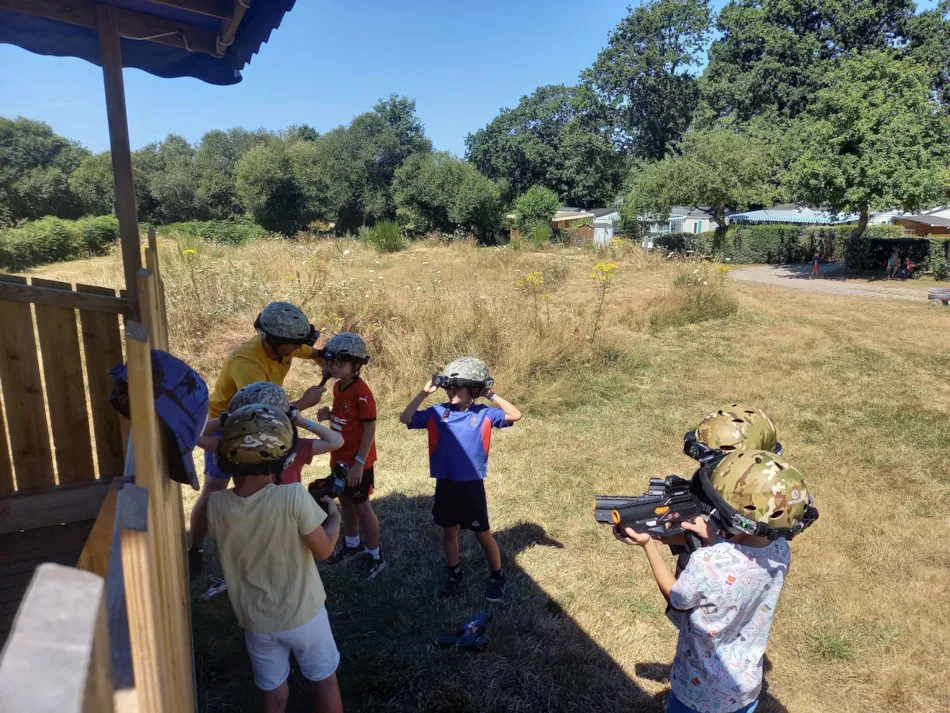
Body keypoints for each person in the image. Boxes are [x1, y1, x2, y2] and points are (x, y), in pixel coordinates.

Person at [616, 450, 816, 713]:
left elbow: (677, 598)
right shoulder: (780, 551)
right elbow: (741, 564)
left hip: (697, 691)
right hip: (744, 689)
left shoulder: (707, 562)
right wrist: (712, 539)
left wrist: (648, 545)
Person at [203, 404, 343, 713]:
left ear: (226, 457)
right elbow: (325, 549)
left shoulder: (216, 505)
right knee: (325, 683)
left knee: (274, 695)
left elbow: (196, 435)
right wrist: (334, 514)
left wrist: (225, 421)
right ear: (280, 456)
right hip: (304, 616)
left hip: (257, 621)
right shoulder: (292, 496)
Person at [190, 301, 326, 576]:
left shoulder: (286, 344)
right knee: (215, 488)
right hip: (226, 423)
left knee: (257, 486)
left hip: (260, 420)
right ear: (275, 341)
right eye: (293, 345)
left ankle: (258, 540)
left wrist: (326, 362)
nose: (296, 350)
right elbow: (263, 412)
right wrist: (303, 403)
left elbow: (310, 352)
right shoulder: (247, 363)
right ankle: (195, 549)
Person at [399, 357, 522, 602]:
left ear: (473, 391)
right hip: (446, 483)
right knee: (449, 531)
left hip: (471, 485)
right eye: (449, 388)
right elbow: (406, 418)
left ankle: (497, 576)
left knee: (482, 533)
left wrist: (490, 394)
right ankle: (454, 574)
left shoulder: (484, 414)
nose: (451, 392)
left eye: (458, 388)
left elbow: (515, 415)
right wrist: (424, 393)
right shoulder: (436, 412)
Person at [314, 333, 386, 579]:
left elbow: (368, 427)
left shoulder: (361, 391)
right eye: (331, 361)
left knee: (362, 506)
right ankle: (352, 544)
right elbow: (346, 417)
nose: (333, 366)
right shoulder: (337, 386)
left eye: (340, 362)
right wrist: (330, 415)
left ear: (356, 365)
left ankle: (375, 555)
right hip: (339, 457)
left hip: (358, 462)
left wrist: (358, 463)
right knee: (344, 500)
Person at [199, 381, 344, 486]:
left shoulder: (237, 445)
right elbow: (335, 441)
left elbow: (196, 435)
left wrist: (226, 419)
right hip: (286, 511)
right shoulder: (293, 447)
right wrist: (301, 421)